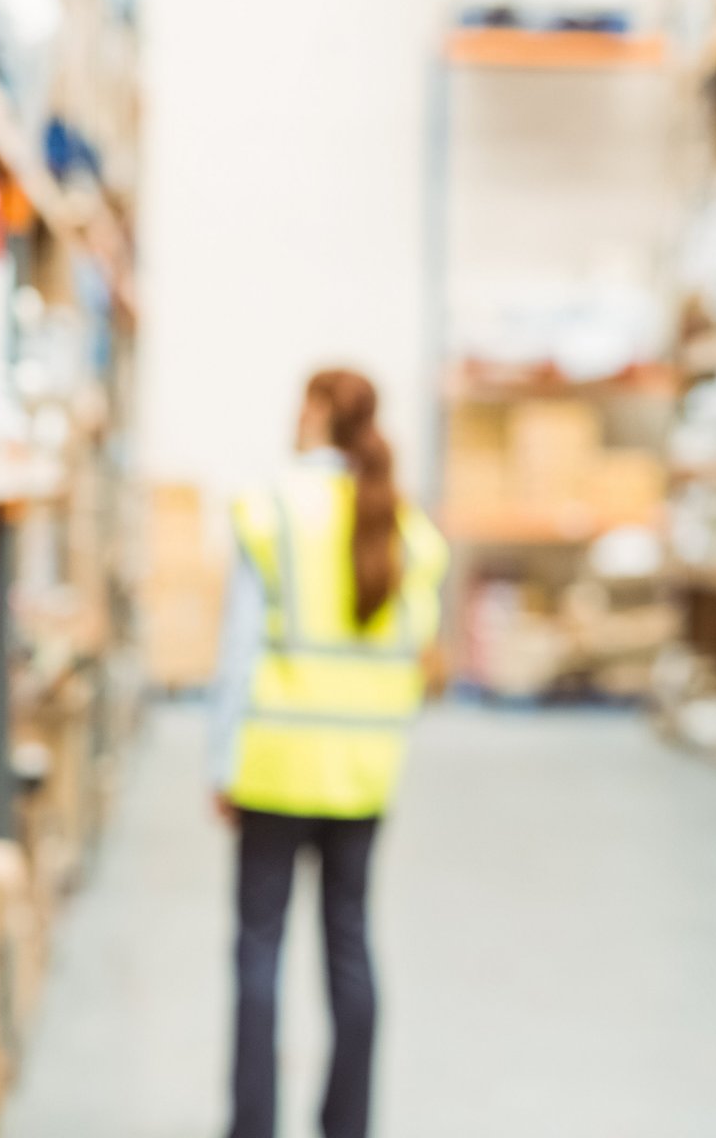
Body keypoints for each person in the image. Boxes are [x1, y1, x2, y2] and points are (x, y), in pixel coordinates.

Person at [210, 369, 449, 1138]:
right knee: (349, 944)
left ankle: (253, 1126)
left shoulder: (273, 510)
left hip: (276, 763)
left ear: (316, 413)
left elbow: (238, 651)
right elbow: (421, 658)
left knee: (258, 951)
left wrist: (222, 764)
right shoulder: (405, 527)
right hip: (363, 774)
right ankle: (347, 1126)